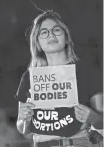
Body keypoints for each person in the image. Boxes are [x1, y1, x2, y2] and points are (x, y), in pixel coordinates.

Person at [15, 10, 103, 147]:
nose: (51, 34)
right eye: (43, 32)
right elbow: (23, 129)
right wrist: (24, 119)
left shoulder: (87, 72)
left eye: (56, 29)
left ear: (67, 37)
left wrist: (92, 117)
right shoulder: (29, 77)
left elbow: (101, 121)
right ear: (37, 43)